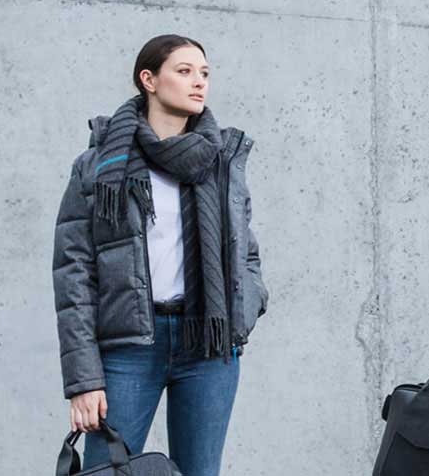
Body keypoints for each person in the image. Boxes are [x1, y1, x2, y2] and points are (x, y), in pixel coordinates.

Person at [52, 34, 269, 476]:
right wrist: (84, 381)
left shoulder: (222, 163)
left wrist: (242, 310)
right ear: (148, 80)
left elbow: (246, 252)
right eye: (184, 71)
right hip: (130, 348)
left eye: (204, 73)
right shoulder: (98, 166)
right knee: (107, 472)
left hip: (207, 346)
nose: (199, 83)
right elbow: (73, 275)